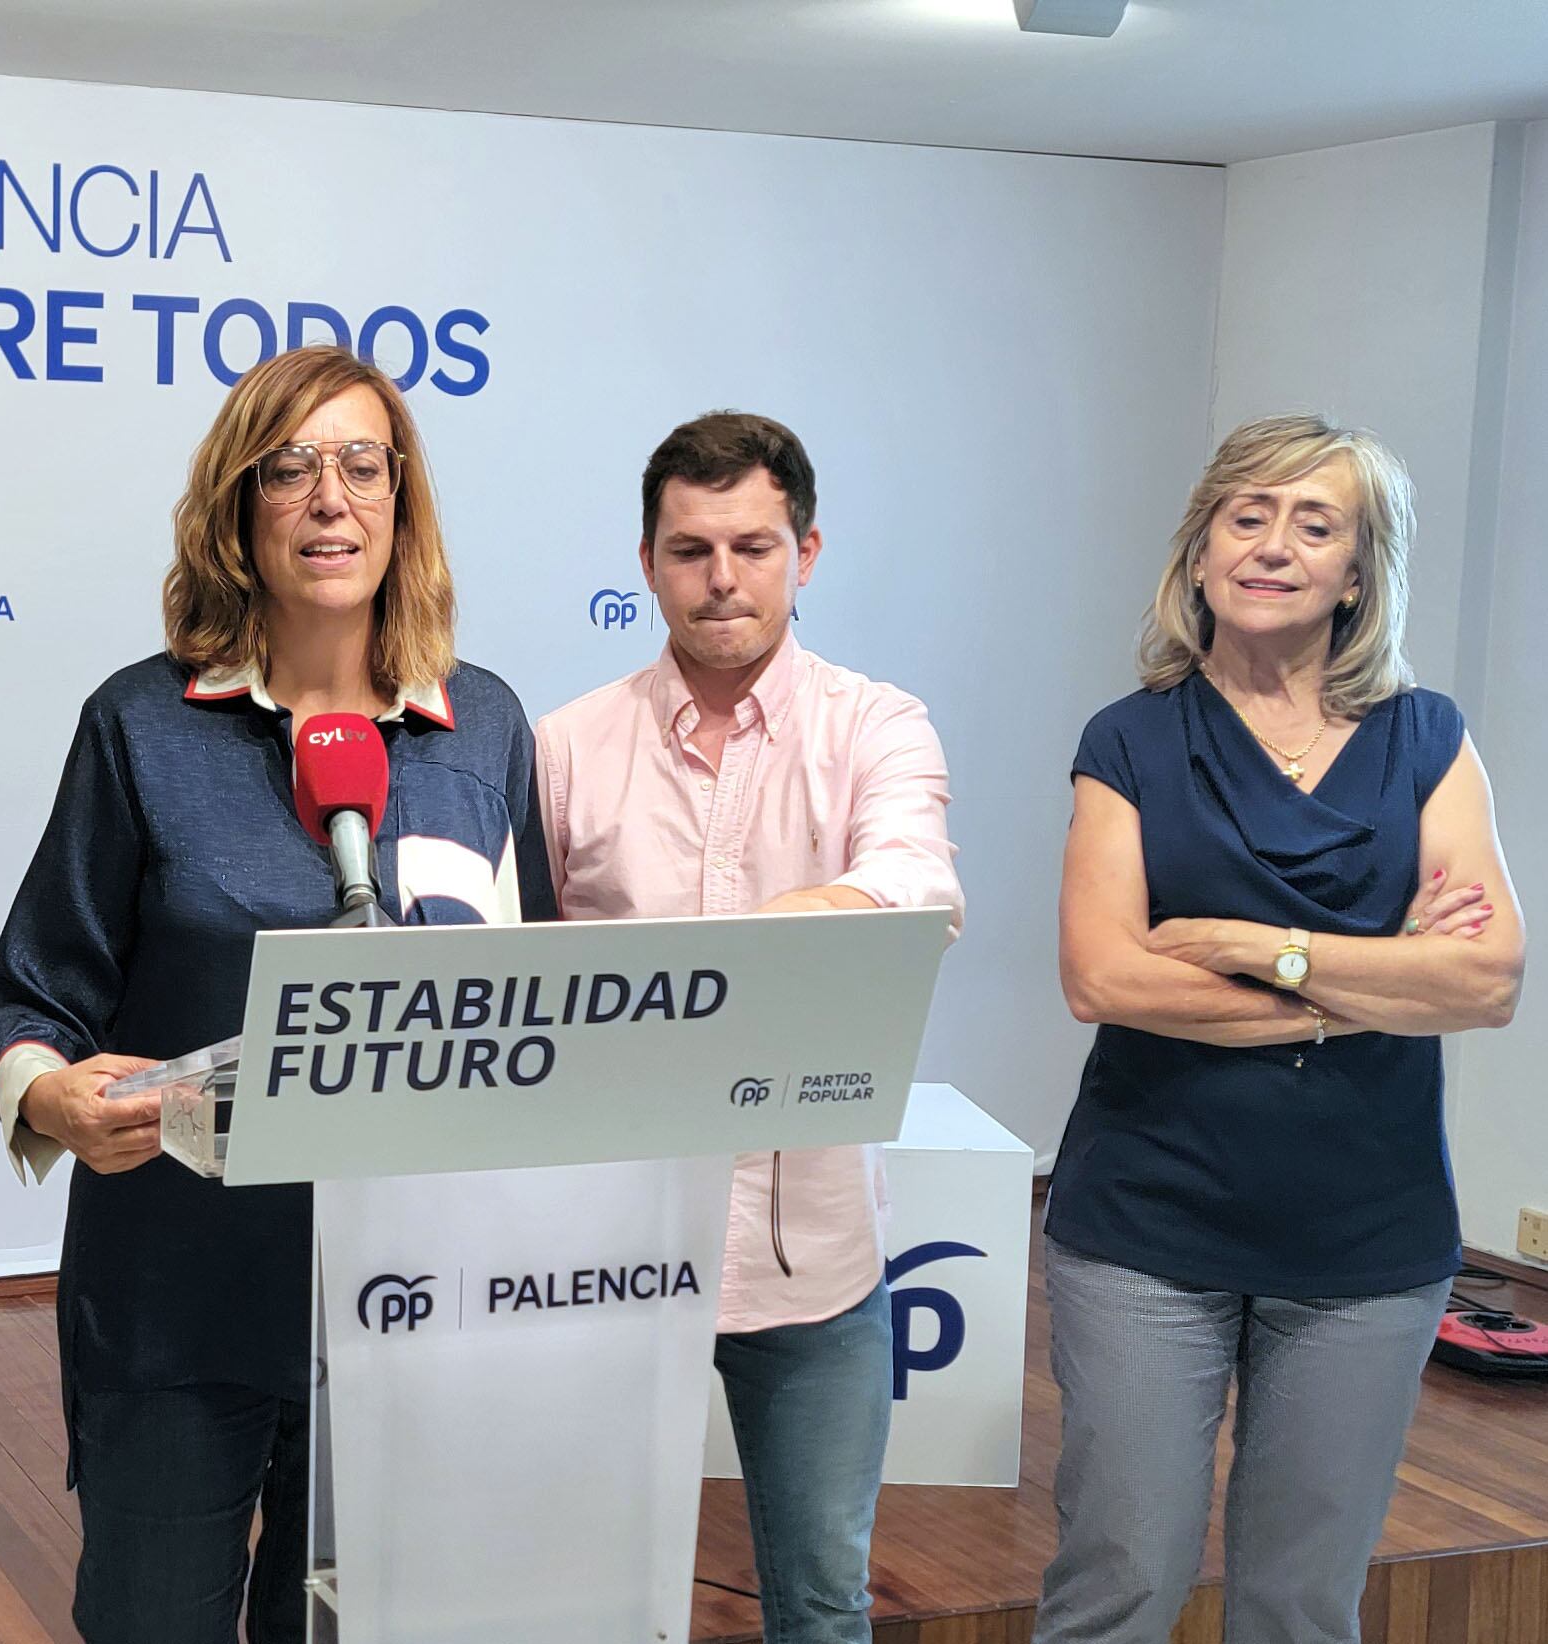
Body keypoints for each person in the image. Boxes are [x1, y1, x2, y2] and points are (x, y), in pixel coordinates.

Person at [0, 344, 551, 1644]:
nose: (327, 498)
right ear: (238, 508)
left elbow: (537, 1010)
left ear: (401, 503)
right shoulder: (142, 726)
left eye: (359, 465)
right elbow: (28, 1001)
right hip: (181, 1297)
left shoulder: (487, 728)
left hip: (409, 1305)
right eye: (287, 469)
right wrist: (50, 1092)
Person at [1036, 414, 1523, 1643]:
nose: (1273, 546)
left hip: (1367, 1244)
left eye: (1315, 524)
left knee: (1302, 1607)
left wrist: (1261, 949)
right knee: (1118, 1583)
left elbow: (1488, 981)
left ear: (1358, 573)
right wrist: (1378, 977)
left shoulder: (1428, 737)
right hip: (1148, 1229)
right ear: (1199, 552)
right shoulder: (1129, 739)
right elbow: (1104, 979)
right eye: (1244, 517)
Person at [534, 412, 963, 1644]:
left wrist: (713, 962)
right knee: (590, 1598)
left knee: (823, 1603)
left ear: (806, 553)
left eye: (753, 546)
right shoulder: (567, 745)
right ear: (647, 559)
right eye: (690, 549)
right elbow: (521, 980)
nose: (722, 578)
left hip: (814, 1264)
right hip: (606, 1254)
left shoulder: (877, 725)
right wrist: (786, 963)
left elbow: (915, 894)